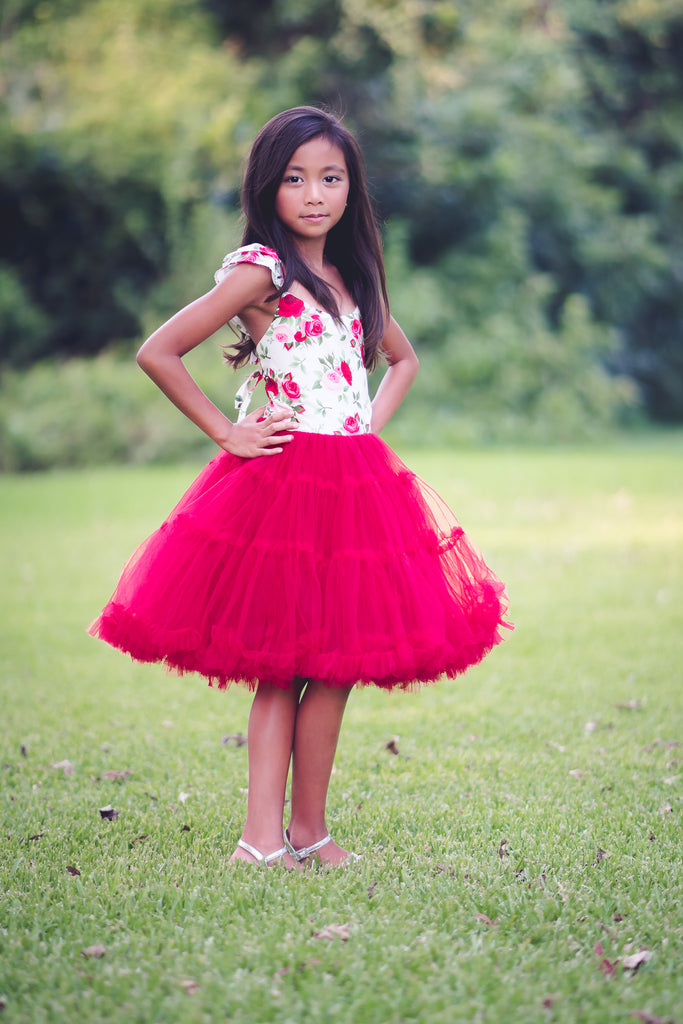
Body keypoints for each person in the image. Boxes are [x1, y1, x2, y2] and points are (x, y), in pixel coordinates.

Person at [88, 106, 512, 869]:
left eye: (330, 177)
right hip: (281, 484)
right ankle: (259, 838)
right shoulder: (264, 269)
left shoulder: (351, 276)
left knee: (338, 666)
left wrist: (365, 424)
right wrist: (227, 432)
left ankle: (310, 831)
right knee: (281, 665)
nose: (314, 193)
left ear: (351, 188)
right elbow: (160, 352)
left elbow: (402, 360)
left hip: (353, 487)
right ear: (268, 188)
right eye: (294, 178)